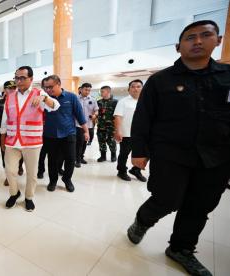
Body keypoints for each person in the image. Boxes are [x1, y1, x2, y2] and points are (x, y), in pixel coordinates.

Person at [127, 20, 230, 276]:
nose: (197, 41)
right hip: (171, 154)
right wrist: (139, 152)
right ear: (178, 46)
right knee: (166, 199)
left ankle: (181, 248)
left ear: (218, 41)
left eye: (205, 35)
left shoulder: (227, 77)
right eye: (190, 37)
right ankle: (142, 222)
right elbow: (143, 118)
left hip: (216, 156)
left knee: (200, 205)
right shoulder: (161, 80)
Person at [0, 66, 59, 212]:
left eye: (22, 78)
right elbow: (5, 119)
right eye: (17, 78)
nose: (19, 81)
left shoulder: (39, 93)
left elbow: (55, 106)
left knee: (32, 174)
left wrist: (44, 98)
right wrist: (2, 137)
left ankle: (29, 197)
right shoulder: (10, 96)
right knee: (10, 171)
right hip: (12, 141)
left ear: (31, 79)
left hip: (32, 142)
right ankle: (14, 194)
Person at [43, 75, 89, 192]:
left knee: (70, 158)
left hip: (69, 133)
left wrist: (86, 131)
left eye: (50, 87)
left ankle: (67, 179)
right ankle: (53, 180)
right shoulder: (45, 99)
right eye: (46, 87)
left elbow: (79, 115)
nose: (48, 90)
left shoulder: (71, 97)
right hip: (50, 134)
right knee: (52, 160)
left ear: (59, 84)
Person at [0, 81, 24, 186]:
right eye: (9, 88)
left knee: (20, 152)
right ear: (4, 90)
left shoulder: (21, 101)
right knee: (4, 153)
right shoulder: (0, 102)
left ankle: (19, 166)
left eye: (14, 88)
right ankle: (8, 175)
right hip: (3, 133)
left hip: (18, 132)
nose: (12, 90)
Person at [114, 80, 147, 182]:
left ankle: (136, 170)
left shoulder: (146, 101)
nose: (135, 88)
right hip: (127, 134)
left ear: (142, 88)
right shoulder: (123, 101)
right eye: (133, 87)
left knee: (144, 154)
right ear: (129, 89)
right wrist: (118, 131)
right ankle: (121, 171)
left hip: (142, 134)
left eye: (138, 86)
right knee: (124, 154)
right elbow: (118, 117)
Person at [75, 83, 98, 167]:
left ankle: (81, 157)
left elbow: (96, 110)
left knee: (85, 142)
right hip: (78, 125)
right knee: (79, 142)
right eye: (86, 89)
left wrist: (95, 115)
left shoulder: (93, 99)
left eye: (89, 90)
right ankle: (77, 159)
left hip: (89, 124)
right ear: (81, 89)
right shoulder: (75, 99)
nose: (87, 91)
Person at [96, 85, 118, 162]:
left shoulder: (115, 102)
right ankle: (103, 156)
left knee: (111, 141)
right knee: (101, 141)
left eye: (102, 91)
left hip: (111, 126)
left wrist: (117, 128)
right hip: (101, 125)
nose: (101, 93)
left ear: (108, 91)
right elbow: (96, 113)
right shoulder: (99, 102)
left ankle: (113, 155)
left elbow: (118, 115)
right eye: (100, 91)